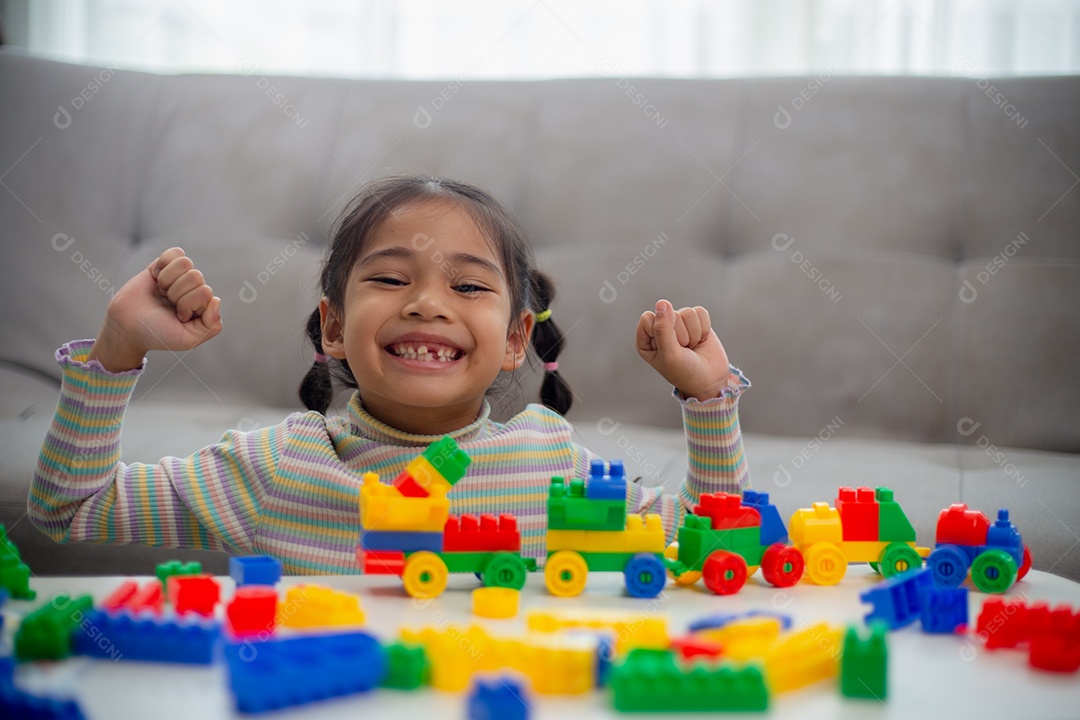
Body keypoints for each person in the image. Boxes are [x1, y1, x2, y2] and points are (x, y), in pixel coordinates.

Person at [29, 176, 750, 574]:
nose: (428, 304)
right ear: (335, 327)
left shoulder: (547, 458)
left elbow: (711, 542)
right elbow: (67, 508)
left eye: (468, 288)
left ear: (514, 339)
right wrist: (117, 349)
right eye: (391, 278)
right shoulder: (279, 467)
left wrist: (707, 397)